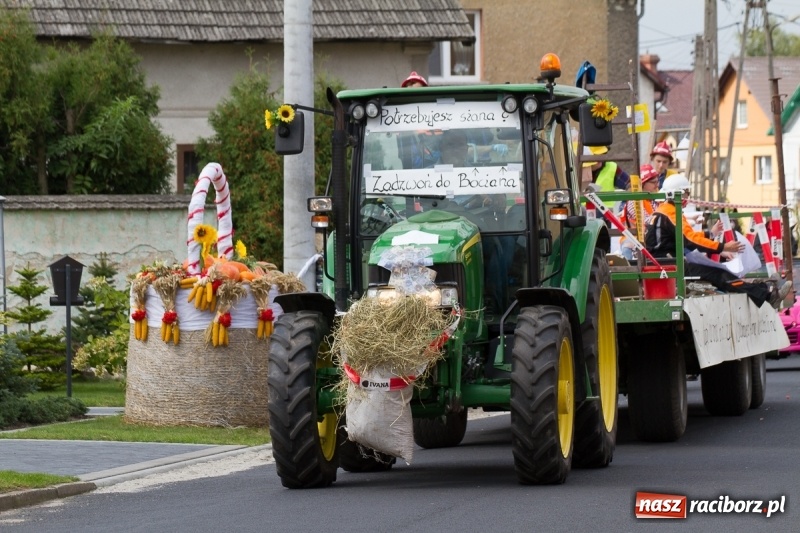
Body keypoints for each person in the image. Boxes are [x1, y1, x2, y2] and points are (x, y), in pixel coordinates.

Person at [645, 173, 791, 308]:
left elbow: (688, 237)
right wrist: (723, 247)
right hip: (669, 266)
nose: (688, 197)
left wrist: (710, 234)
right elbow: (691, 240)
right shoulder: (670, 212)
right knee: (720, 274)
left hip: (667, 263)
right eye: (687, 192)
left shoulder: (664, 211)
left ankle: (762, 288)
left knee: (720, 272)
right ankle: (766, 295)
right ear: (679, 193)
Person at [618, 164, 660, 260]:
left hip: (647, 240)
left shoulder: (652, 201)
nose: (657, 185)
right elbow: (650, 221)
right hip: (632, 242)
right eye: (653, 182)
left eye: (657, 182)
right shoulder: (634, 202)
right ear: (643, 184)